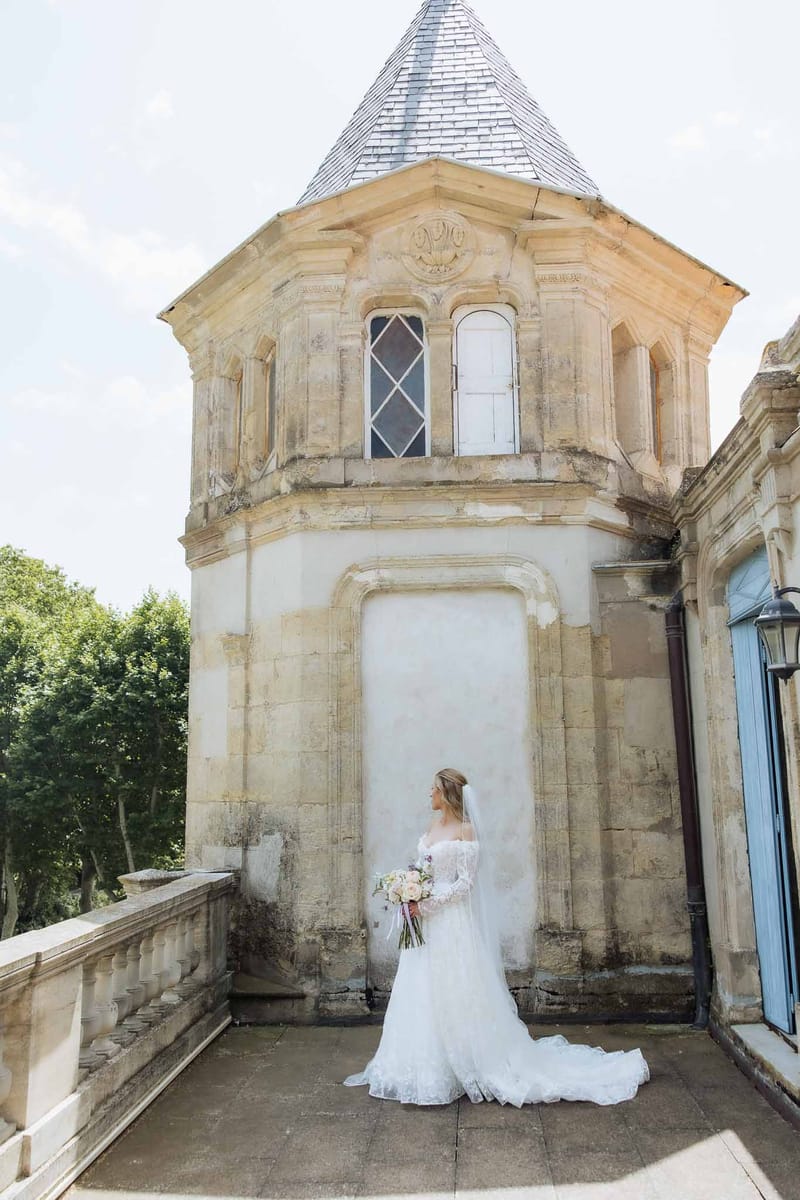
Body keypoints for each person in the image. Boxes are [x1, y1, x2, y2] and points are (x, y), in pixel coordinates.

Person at [344, 768, 649, 1106]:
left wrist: (428, 904)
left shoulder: (466, 831)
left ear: (445, 793)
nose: (428, 793)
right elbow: (423, 869)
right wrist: (408, 889)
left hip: (450, 922)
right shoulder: (432, 827)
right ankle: (422, 1066)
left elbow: (465, 883)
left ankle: (471, 1060)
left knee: (456, 988)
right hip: (426, 925)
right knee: (421, 989)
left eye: (433, 788)